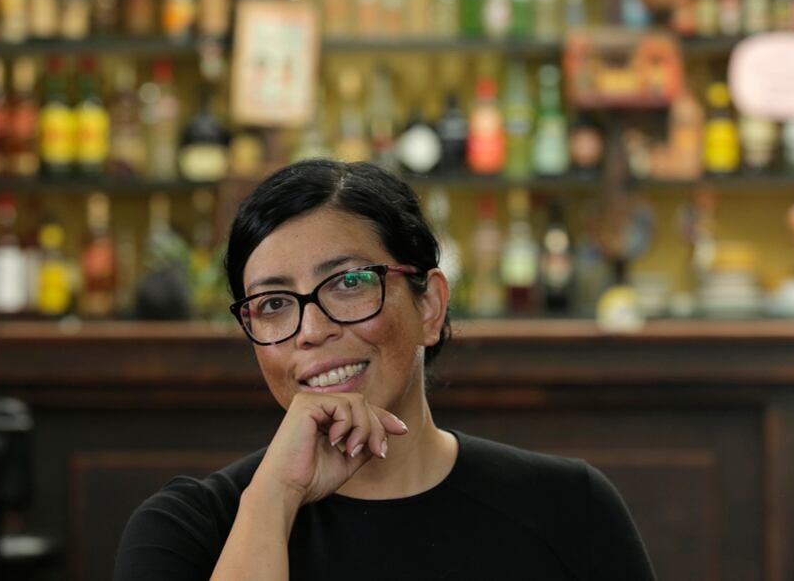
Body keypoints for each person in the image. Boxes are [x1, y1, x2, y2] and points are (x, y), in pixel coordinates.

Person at [114, 159, 656, 581]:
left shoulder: (571, 508)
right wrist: (273, 497)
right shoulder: (184, 531)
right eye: (273, 303)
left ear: (429, 306)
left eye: (348, 283)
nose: (311, 329)